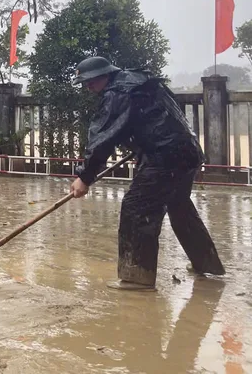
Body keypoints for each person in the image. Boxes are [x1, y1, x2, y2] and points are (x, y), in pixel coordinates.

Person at [69, 56, 225, 290]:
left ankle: (137, 277)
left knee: (136, 208)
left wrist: (85, 176)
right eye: (86, 83)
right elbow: (160, 119)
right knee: (179, 206)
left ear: (105, 75)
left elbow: (103, 138)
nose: (88, 87)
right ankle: (206, 263)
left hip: (165, 157)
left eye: (91, 82)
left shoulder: (117, 93)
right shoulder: (143, 81)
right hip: (186, 151)